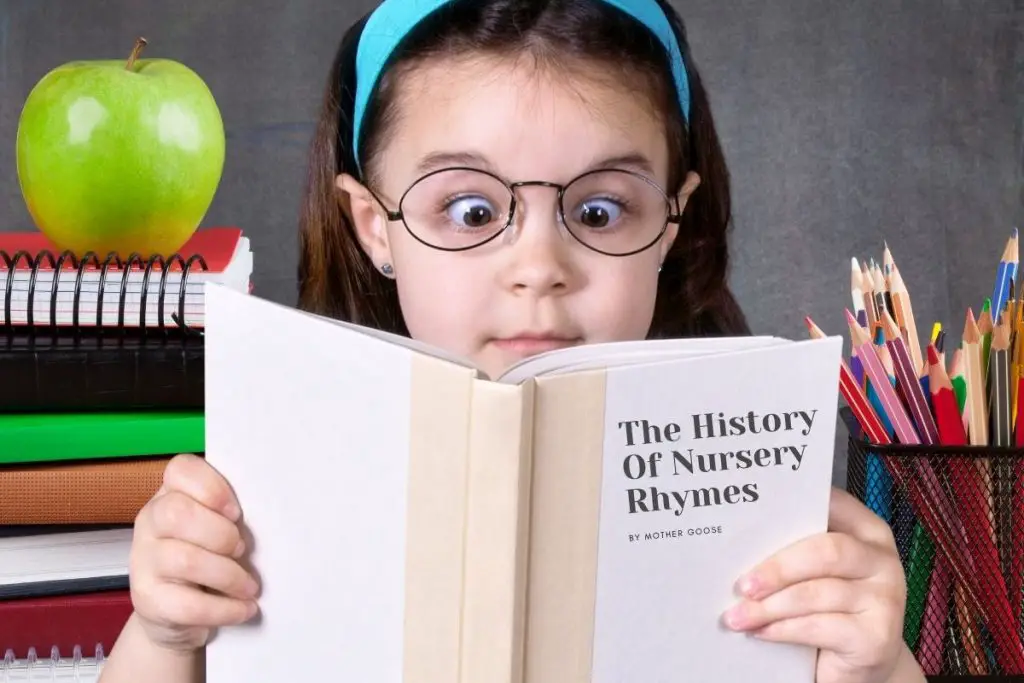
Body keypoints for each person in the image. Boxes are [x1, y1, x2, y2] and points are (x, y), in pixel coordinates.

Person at [98, 1, 925, 681]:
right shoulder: (270, 478)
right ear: (373, 227)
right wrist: (166, 636)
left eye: (600, 211)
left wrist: (877, 667)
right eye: (471, 210)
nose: (538, 268)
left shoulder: (772, 505)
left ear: (671, 223)